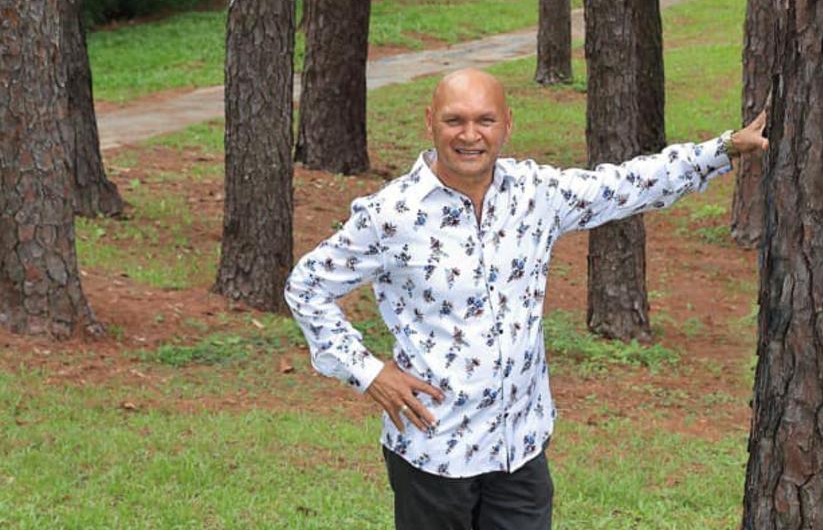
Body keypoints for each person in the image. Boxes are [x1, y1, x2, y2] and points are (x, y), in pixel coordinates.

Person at [284, 68, 768, 530]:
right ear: (430, 122)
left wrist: (724, 149)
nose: (469, 135)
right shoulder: (390, 215)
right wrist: (370, 373)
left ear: (507, 125)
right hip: (434, 450)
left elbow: (624, 185)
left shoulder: (535, 194)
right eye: (455, 120)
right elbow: (307, 286)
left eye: (484, 120)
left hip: (520, 445)